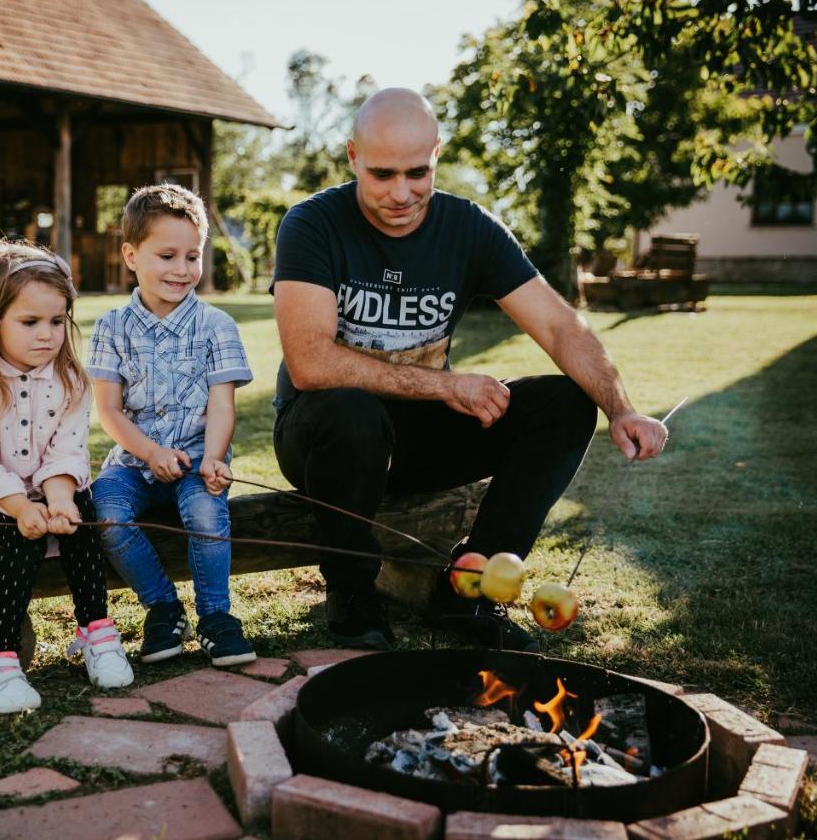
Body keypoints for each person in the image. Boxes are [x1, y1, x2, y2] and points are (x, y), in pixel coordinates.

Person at [271, 88, 669, 653]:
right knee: (351, 411)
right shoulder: (312, 224)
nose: (401, 193)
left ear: (437, 152)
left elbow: (559, 327)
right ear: (353, 156)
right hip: (322, 440)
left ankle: (469, 589)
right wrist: (445, 384)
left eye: (417, 172)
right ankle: (352, 595)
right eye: (382, 174)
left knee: (565, 403)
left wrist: (620, 408)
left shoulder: (470, 228)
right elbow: (311, 363)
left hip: (420, 439)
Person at [0, 240, 133, 714]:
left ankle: (95, 631)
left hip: (52, 489)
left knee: (85, 522)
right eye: (30, 322)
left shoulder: (72, 380)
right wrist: (23, 507)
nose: (47, 335)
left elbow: (67, 447)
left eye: (56, 321)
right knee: (22, 542)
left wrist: (61, 498)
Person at [88, 184, 257, 668]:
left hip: (197, 461)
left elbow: (222, 405)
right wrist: (149, 454)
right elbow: (110, 411)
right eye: (167, 255)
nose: (182, 269)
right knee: (107, 512)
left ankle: (216, 619)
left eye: (192, 255)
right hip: (132, 461)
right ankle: (163, 608)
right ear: (131, 255)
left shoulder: (216, 326)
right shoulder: (111, 328)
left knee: (205, 516)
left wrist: (212, 458)